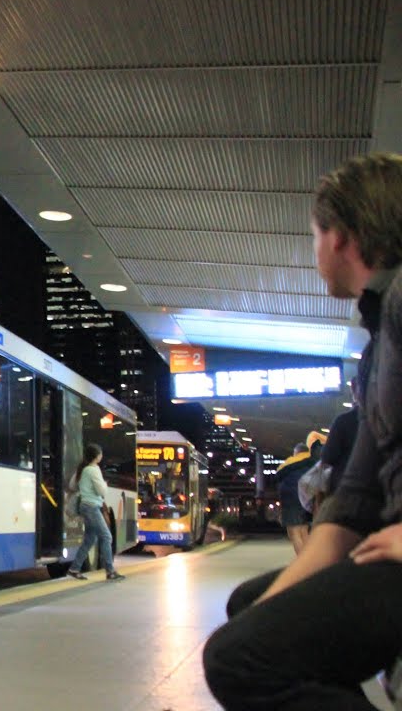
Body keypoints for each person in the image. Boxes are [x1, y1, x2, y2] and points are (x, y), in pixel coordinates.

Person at [202, 152, 402, 709]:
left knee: (238, 660)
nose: (314, 253)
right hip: (385, 553)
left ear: (341, 237)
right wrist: (275, 607)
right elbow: (352, 502)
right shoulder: (378, 344)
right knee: (249, 610)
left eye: (314, 235)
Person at [65, 442, 125, 581]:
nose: (101, 456)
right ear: (97, 456)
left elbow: (72, 485)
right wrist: (105, 484)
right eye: (100, 453)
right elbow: (101, 490)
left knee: (89, 539)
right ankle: (110, 571)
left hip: (86, 506)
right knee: (107, 536)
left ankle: (74, 569)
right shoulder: (93, 469)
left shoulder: (83, 469)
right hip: (92, 507)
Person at [274, 434, 324, 555]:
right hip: (310, 500)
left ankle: (304, 562)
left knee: (294, 533)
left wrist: (281, 510)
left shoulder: (287, 464)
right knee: (304, 531)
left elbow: (280, 485)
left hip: (292, 501)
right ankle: (310, 560)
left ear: (296, 452)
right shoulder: (314, 461)